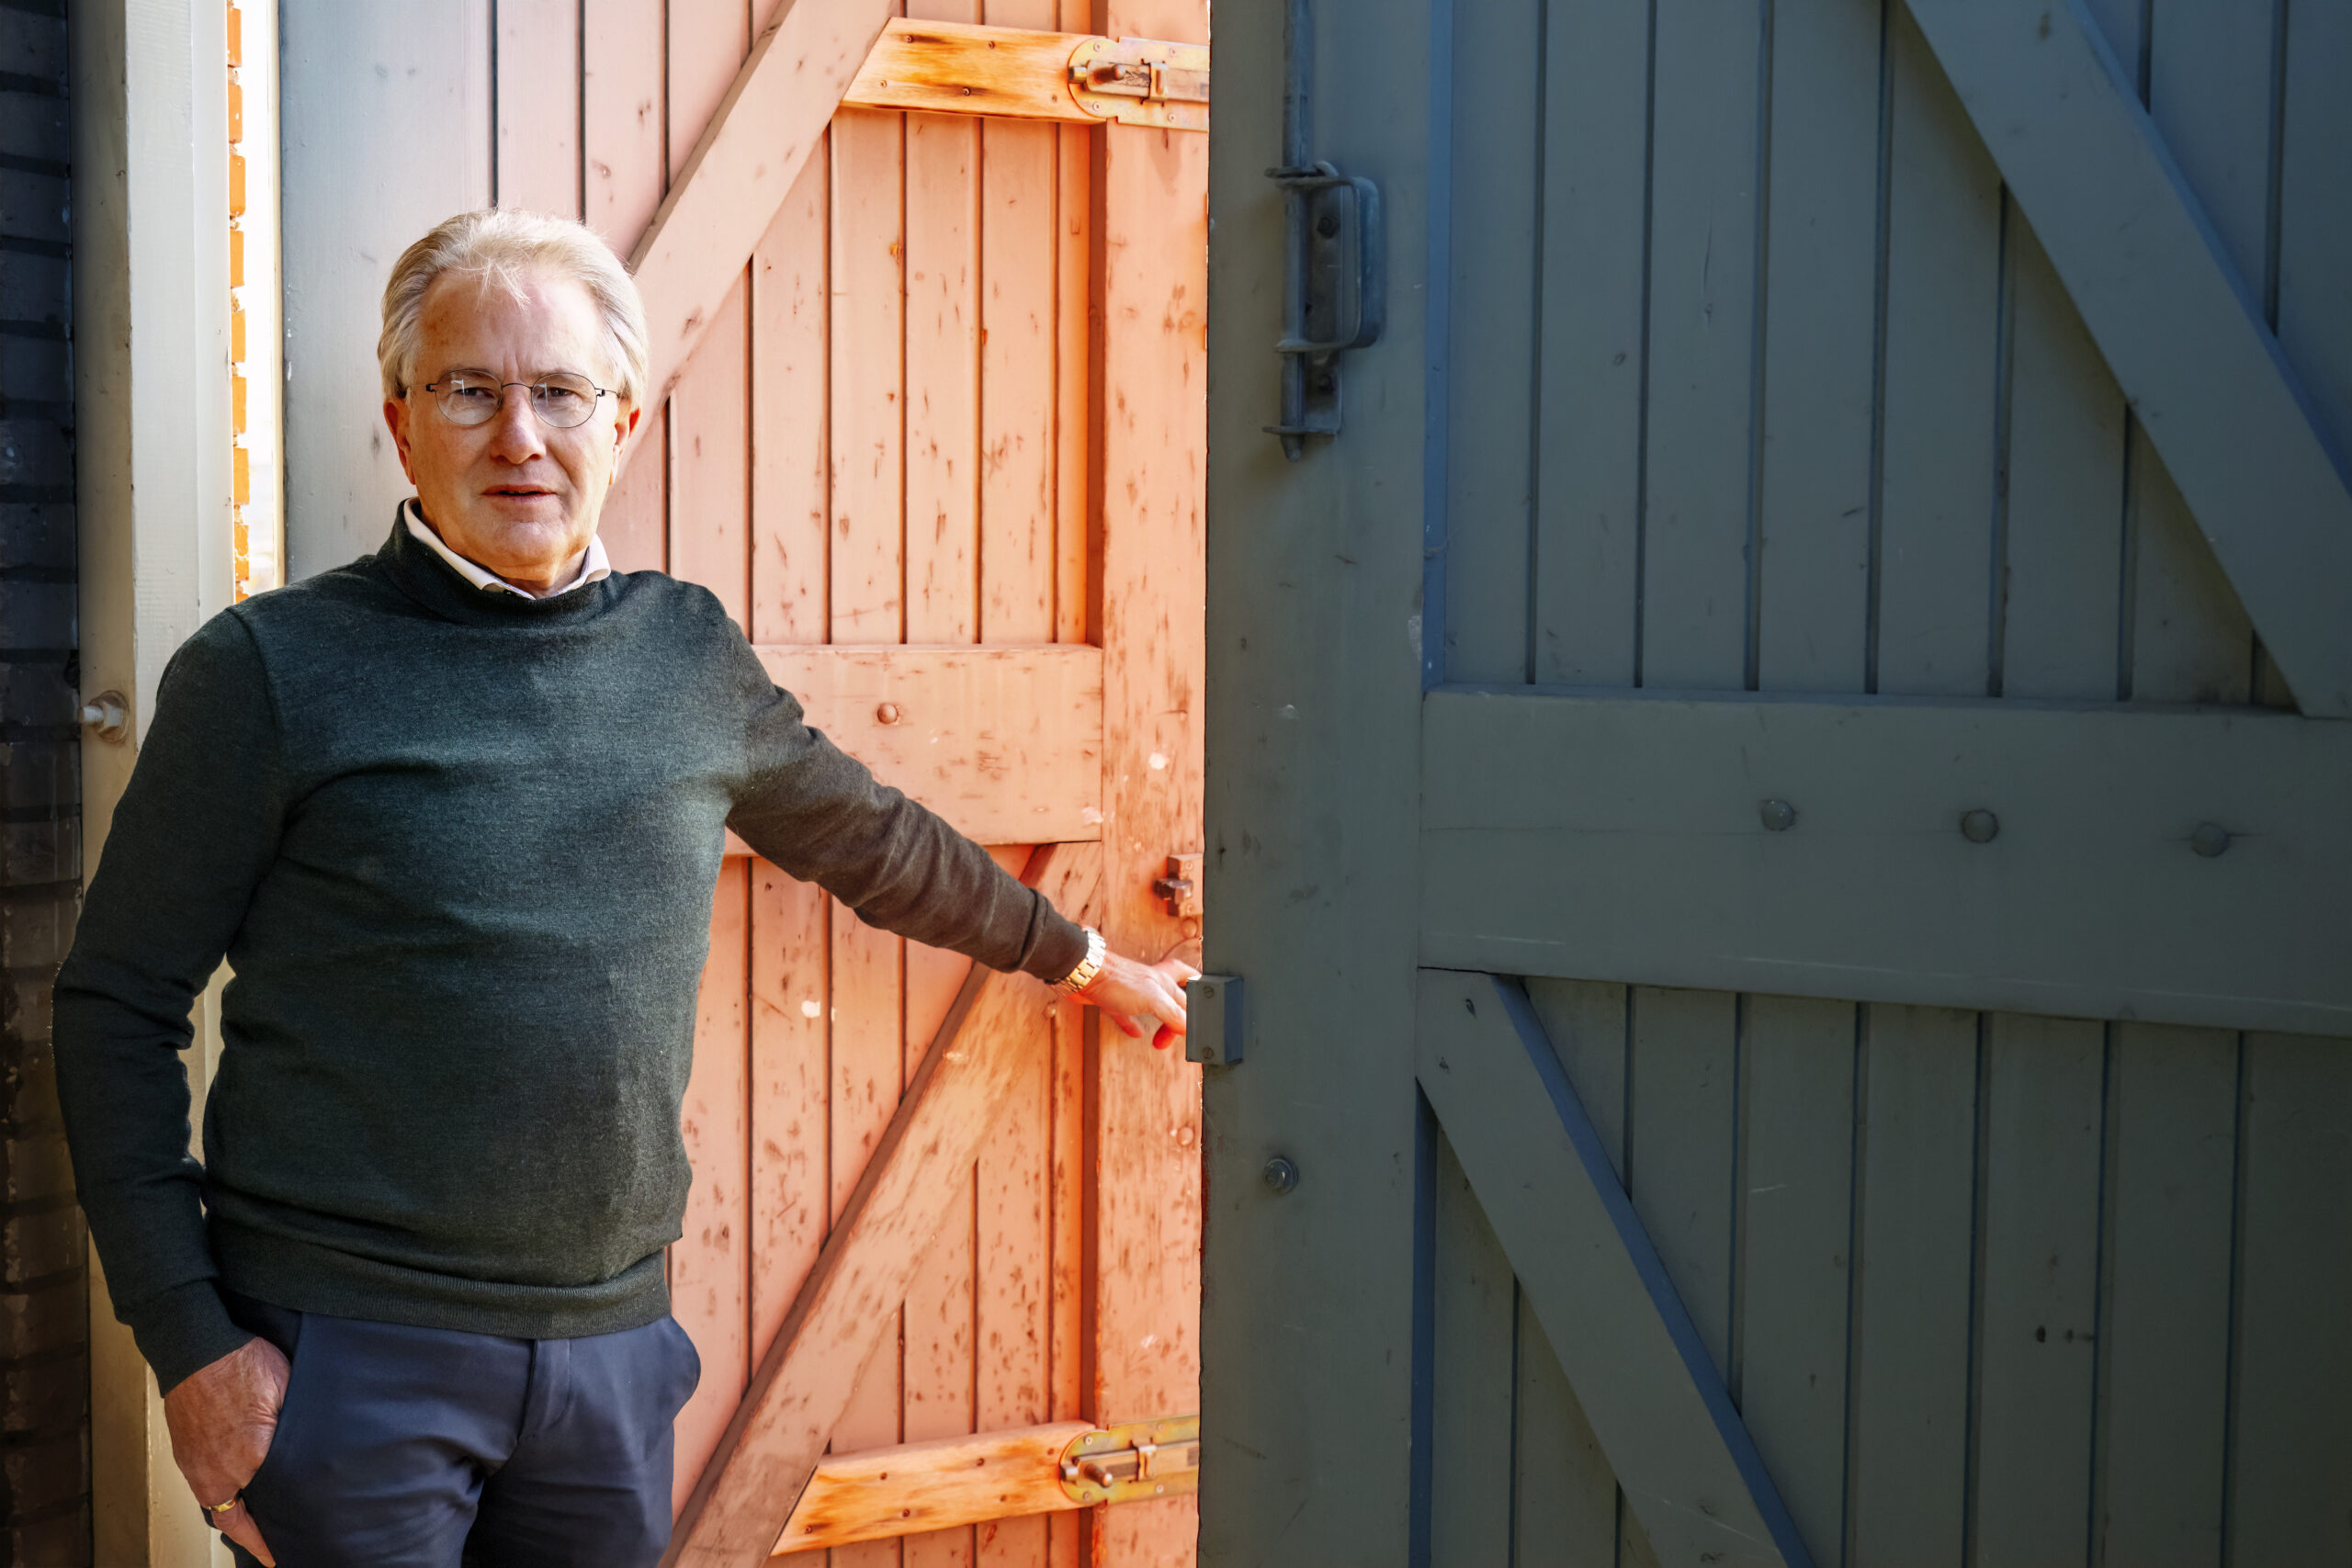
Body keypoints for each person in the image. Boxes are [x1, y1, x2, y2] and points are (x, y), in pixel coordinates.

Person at [52, 208, 1196, 1568]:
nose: (518, 438)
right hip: (346, 1359)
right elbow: (114, 1010)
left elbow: (876, 843)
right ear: (401, 422)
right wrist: (191, 1349)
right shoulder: (271, 672)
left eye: (558, 394)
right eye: (469, 390)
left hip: (610, 1362)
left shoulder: (686, 656)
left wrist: (1084, 961)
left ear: (626, 423)